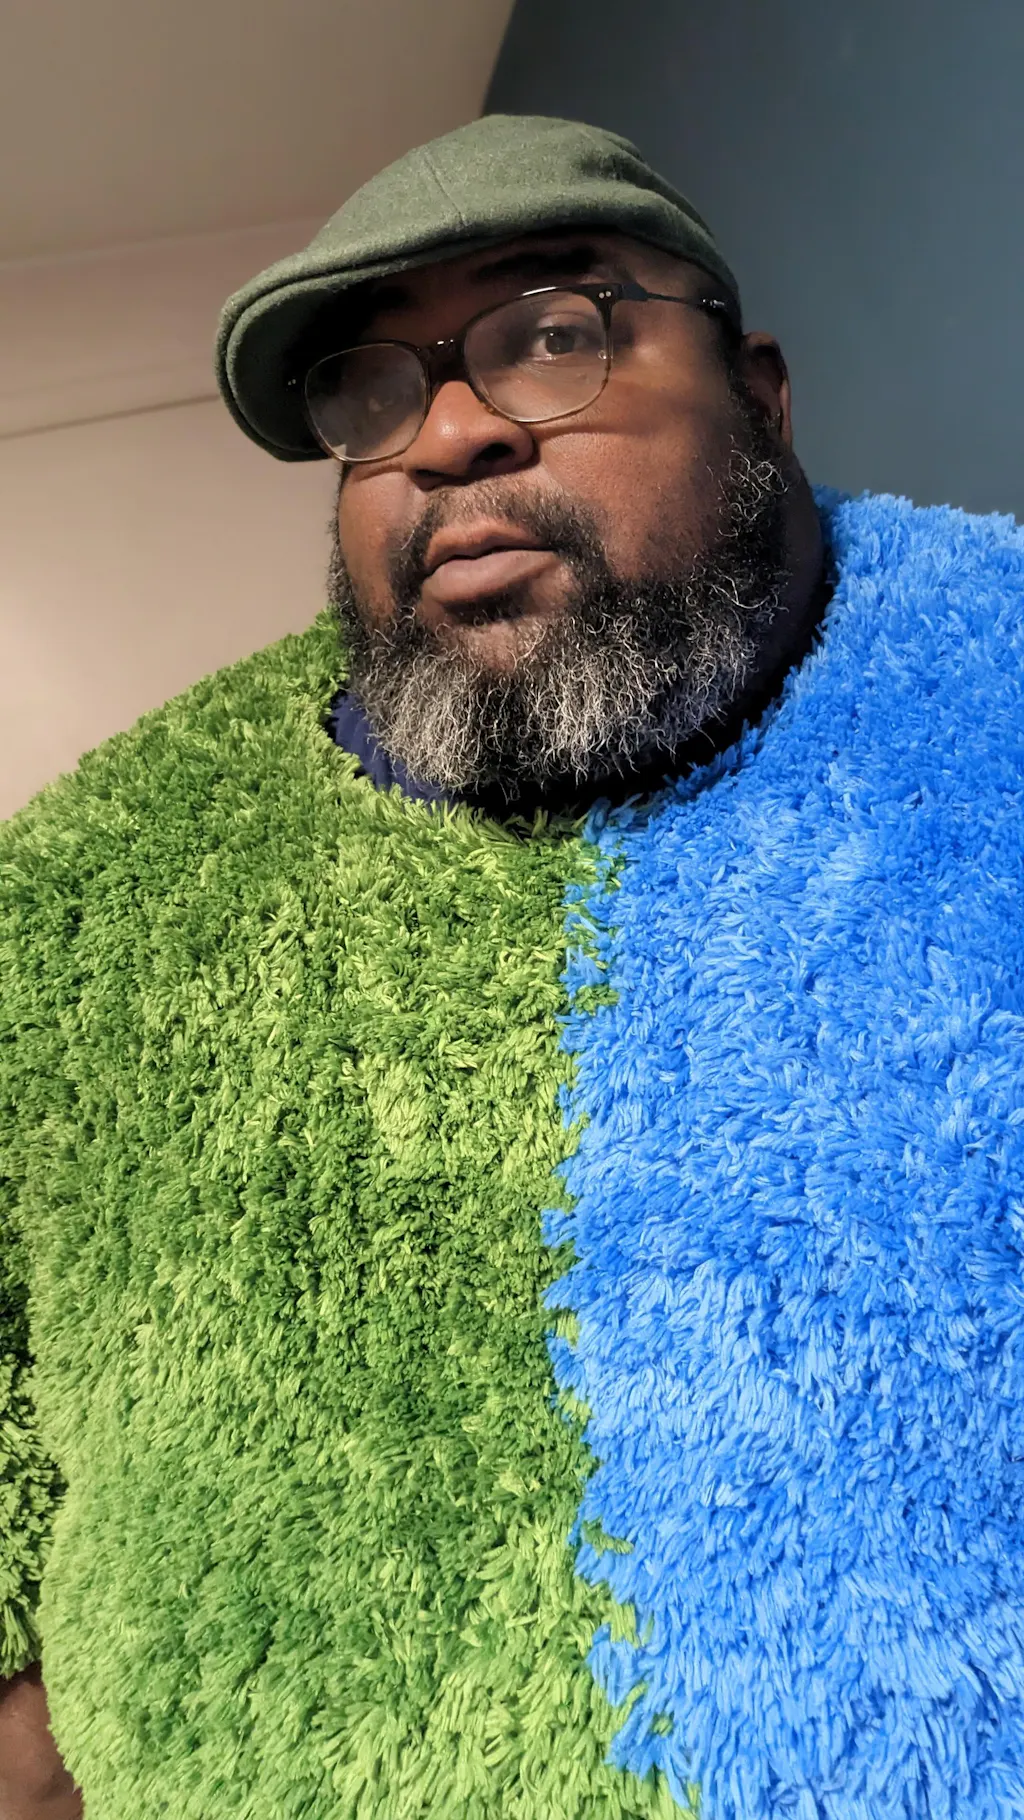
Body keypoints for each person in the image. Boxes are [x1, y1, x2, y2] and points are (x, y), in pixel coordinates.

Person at [1, 111, 1023, 1820]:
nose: (448, 433)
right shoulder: (83, 896)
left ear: (762, 395)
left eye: (554, 331)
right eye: (366, 391)